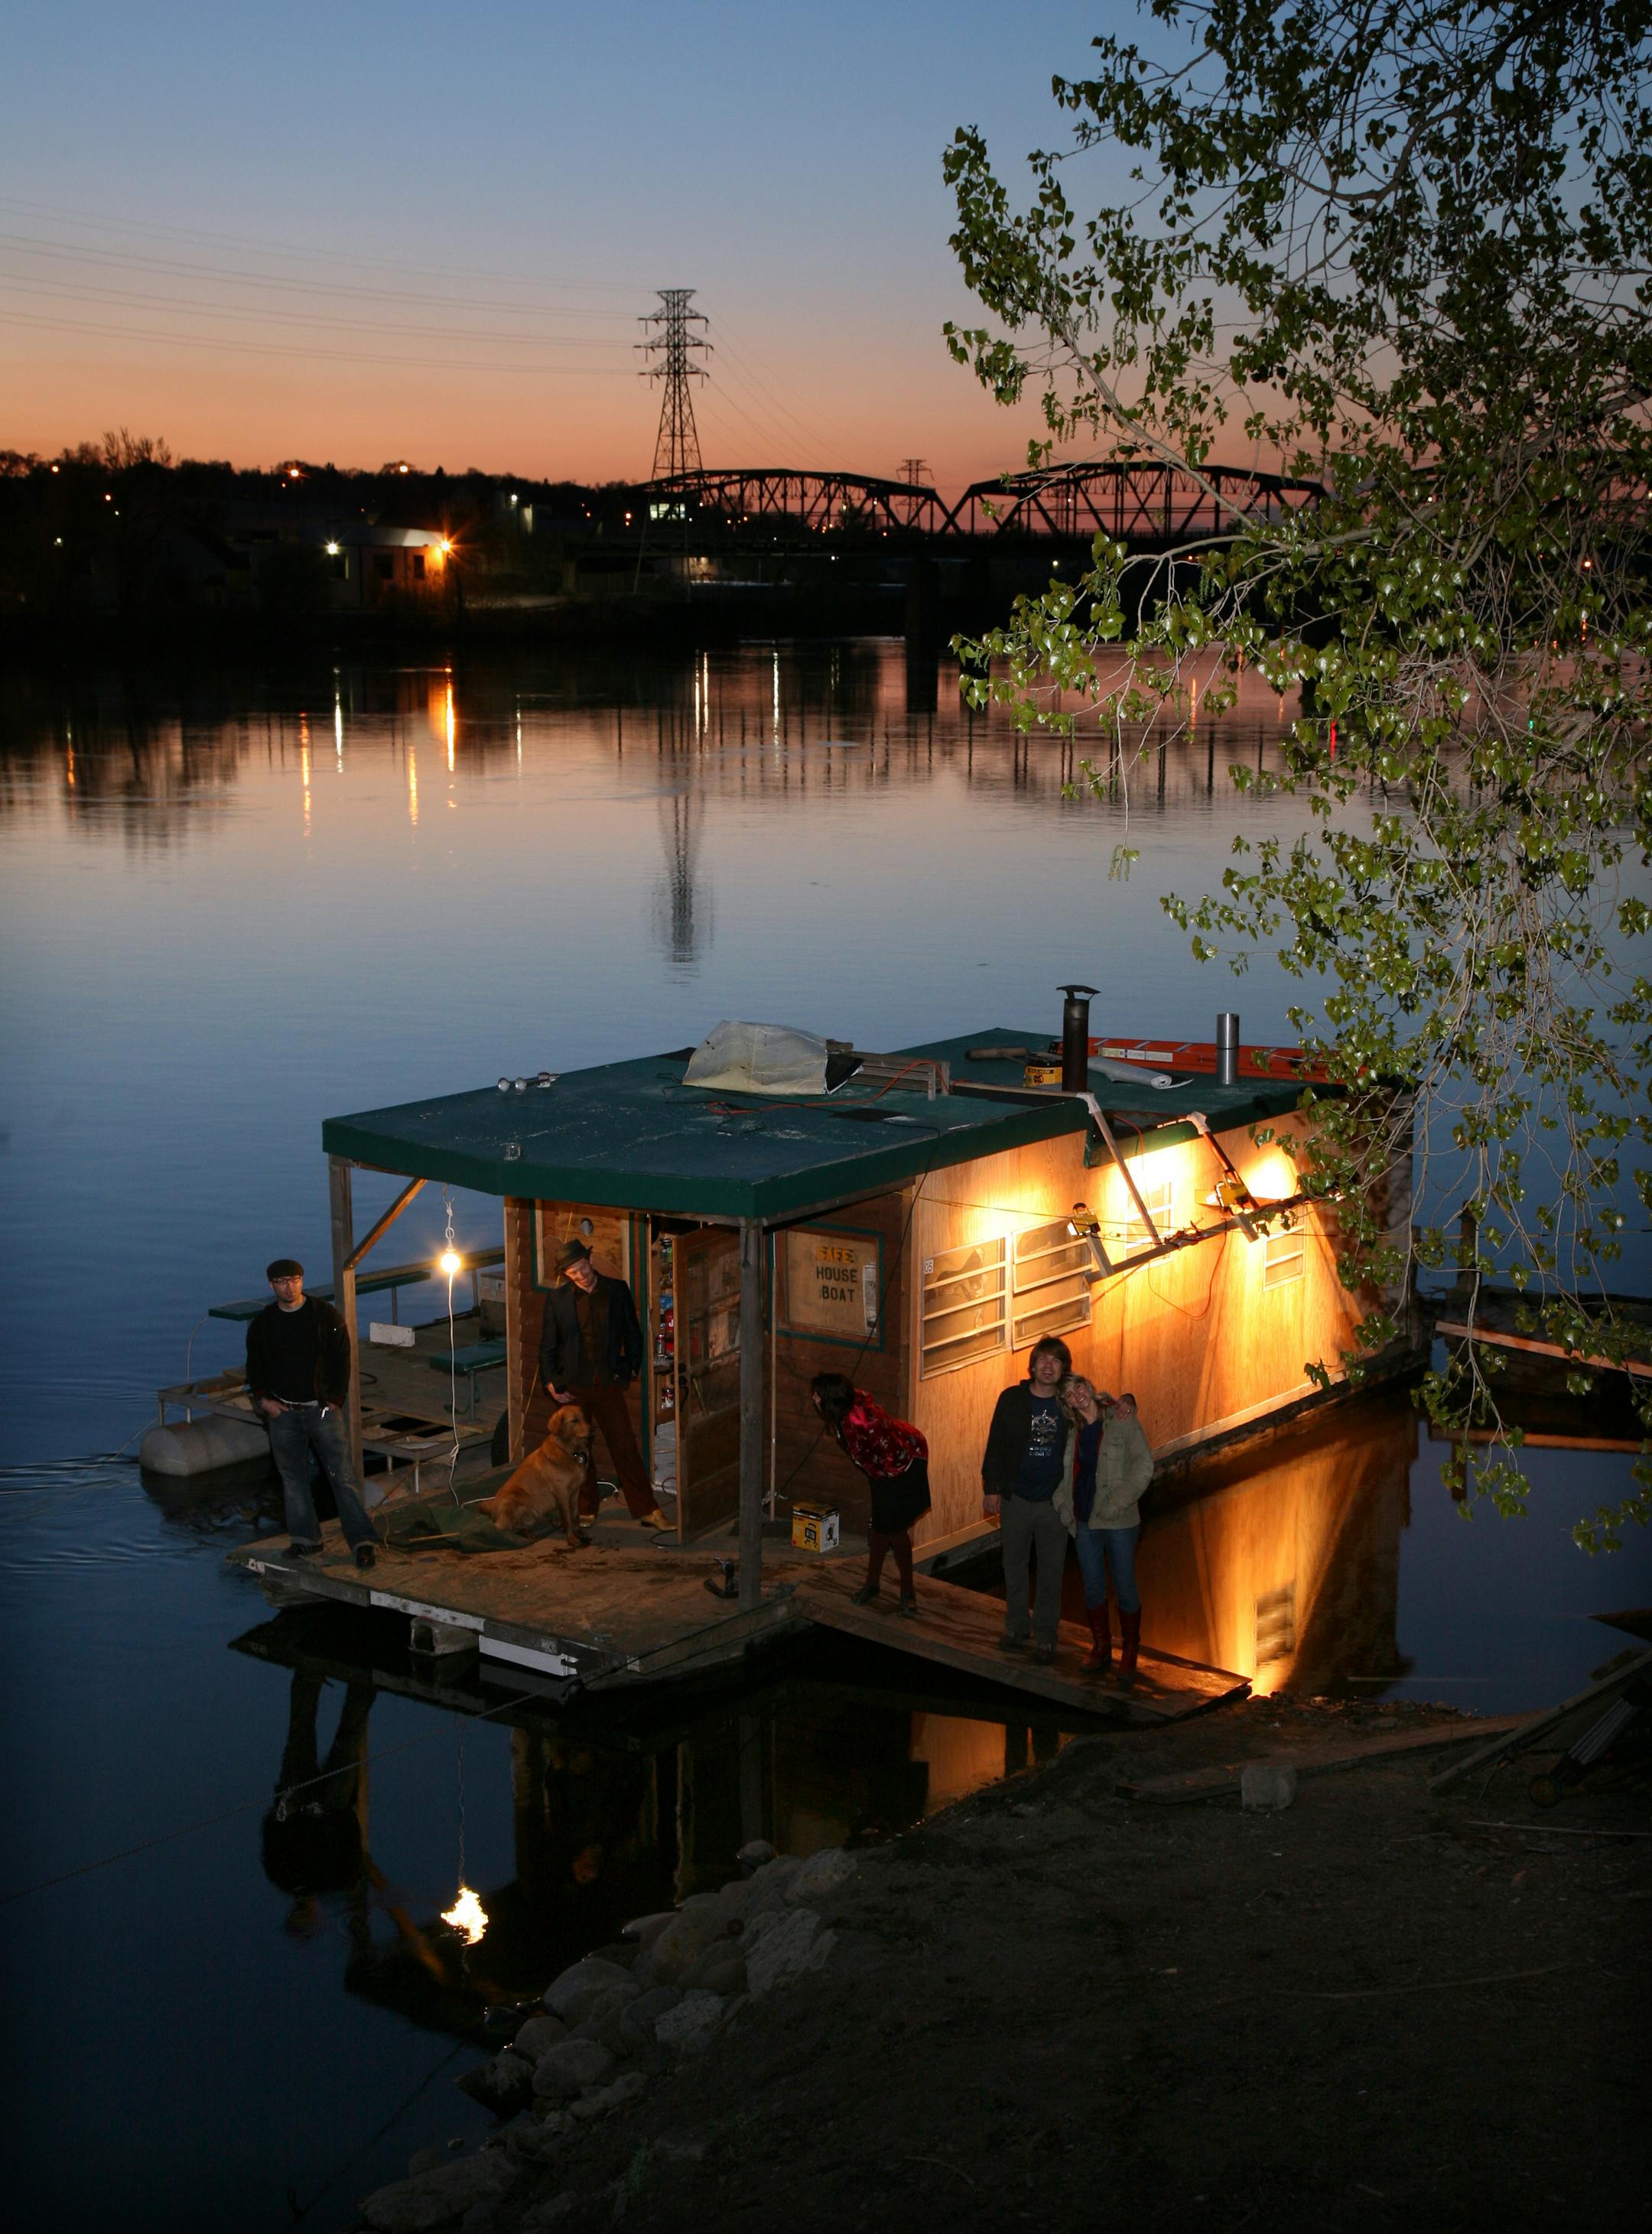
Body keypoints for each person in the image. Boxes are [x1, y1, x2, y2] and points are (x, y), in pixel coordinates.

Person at [246, 1257, 379, 1569]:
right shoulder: (263, 1324)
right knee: (293, 1480)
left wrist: (334, 1398)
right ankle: (306, 1540)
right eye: (281, 1282)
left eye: (294, 1279)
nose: (288, 1286)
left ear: (302, 1281)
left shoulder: (324, 1316)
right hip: (283, 1413)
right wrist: (265, 1401)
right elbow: (255, 1366)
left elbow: (341, 1356)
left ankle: (362, 1541)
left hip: (321, 1411)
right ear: (271, 1286)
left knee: (342, 1476)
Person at [538, 1237, 672, 1533]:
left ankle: (648, 1509)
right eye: (573, 1272)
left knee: (624, 1446)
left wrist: (629, 1369)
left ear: (590, 1260)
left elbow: (633, 1335)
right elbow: (548, 1345)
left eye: (583, 1267)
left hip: (608, 1384)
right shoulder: (558, 1299)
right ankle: (586, 1509)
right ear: (566, 1275)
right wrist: (550, 1382)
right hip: (574, 1387)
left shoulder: (616, 1290)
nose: (581, 1275)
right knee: (578, 1451)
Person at [1055, 1375, 1154, 1685]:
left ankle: (1130, 1649)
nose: (1078, 1395)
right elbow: (1063, 1472)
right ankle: (1100, 1646)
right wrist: (1063, 1506)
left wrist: (1119, 1501)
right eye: (1070, 1394)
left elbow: (1143, 1465)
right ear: (1067, 1403)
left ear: (1089, 1387)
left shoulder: (1120, 1416)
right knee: (1093, 1585)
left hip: (1120, 1520)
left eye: (1079, 1387)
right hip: (1085, 1520)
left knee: (1124, 1585)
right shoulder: (1073, 1431)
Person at [981, 1335, 1074, 1663]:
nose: (1048, 1366)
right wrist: (991, 1488)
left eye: (1056, 1361)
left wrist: (1128, 1400)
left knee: (1051, 1571)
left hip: (1054, 1504)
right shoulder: (1012, 1399)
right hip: (1016, 1498)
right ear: (1033, 1365)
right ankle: (1017, 1627)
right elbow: (996, 1444)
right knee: (1014, 1567)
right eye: (1043, 1360)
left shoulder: (1068, 1403)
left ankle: (1046, 1637)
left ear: (1063, 1369)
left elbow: (1098, 1407)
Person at [811, 1371, 932, 1615]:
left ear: (830, 1399)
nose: (813, 1398)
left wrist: (883, 1482)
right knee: (880, 1528)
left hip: (903, 1466)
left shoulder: (863, 1422)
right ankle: (873, 1584)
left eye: (817, 1395)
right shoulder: (844, 1414)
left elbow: (893, 1458)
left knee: (894, 1530)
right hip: (882, 1470)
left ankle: (907, 1592)